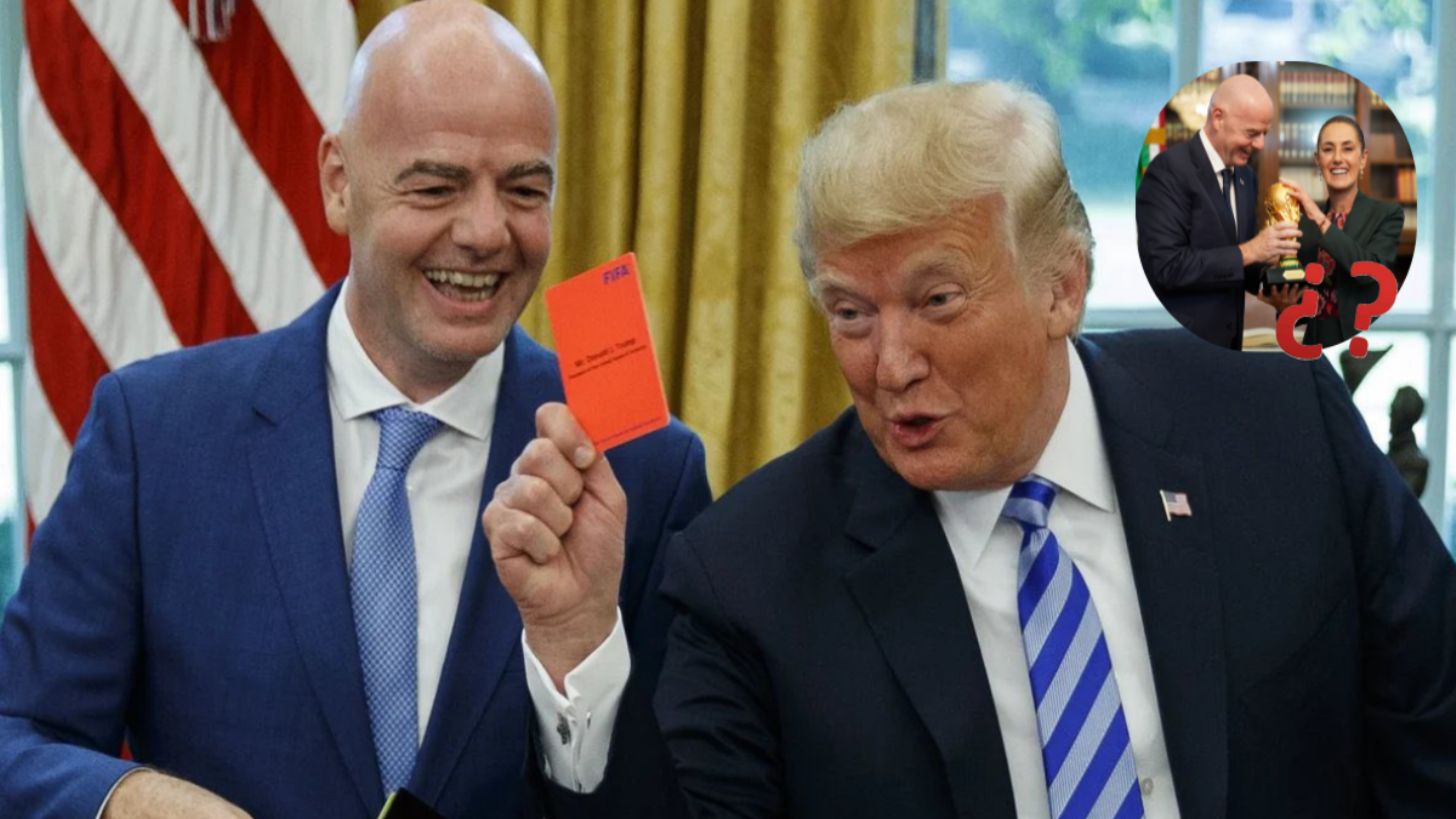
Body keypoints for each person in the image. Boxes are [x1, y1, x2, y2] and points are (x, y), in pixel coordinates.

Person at [498, 79, 1456, 818]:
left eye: (937, 300)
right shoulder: (748, 571)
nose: (892, 365)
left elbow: (1433, 729)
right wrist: (578, 642)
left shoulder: (1275, 421)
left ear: (1062, 287)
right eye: (850, 312)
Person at [0, 3, 709, 818]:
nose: (487, 232)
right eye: (436, 185)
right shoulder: (154, 435)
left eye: (524, 189)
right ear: (339, 183)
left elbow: (691, 800)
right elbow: (18, 734)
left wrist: (578, 659)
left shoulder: (643, 467)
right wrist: (130, 799)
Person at [1136, 73, 1302, 350]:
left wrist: (1272, 283)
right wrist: (1252, 250)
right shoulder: (1168, 171)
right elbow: (1166, 267)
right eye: (1252, 133)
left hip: (1232, 344)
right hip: (1183, 345)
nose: (1260, 144)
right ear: (1217, 118)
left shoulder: (1246, 177)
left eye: (1265, 134)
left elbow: (1240, 265)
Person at [1278, 115, 1404, 347]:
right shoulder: (1303, 224)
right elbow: (1299, 291)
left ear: (1363, 159)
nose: (1337, 158)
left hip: (1358, 339)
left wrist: (1319, 219)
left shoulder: (1387, 215)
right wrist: (1284, 306)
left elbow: (1369, 273)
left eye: (1347, 149)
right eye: (1328, 149)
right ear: (1318, 160)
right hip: (1311, 341)